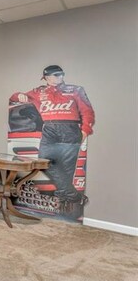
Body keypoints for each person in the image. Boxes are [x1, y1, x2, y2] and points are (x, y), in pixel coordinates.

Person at [10, 65, 95, 210]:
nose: (56, 78)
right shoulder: (38, 91)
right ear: (46, 78)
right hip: (49, 129)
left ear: (62, 75)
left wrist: (85, 131)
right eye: (51, 76)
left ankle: (66, 206)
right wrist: (19, 95)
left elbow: (87, 112)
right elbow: (14, 96)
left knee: (67, 169)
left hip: (70, 129)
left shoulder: (76, 90)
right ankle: (75, 196)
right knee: (44, 161)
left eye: (58, 75)